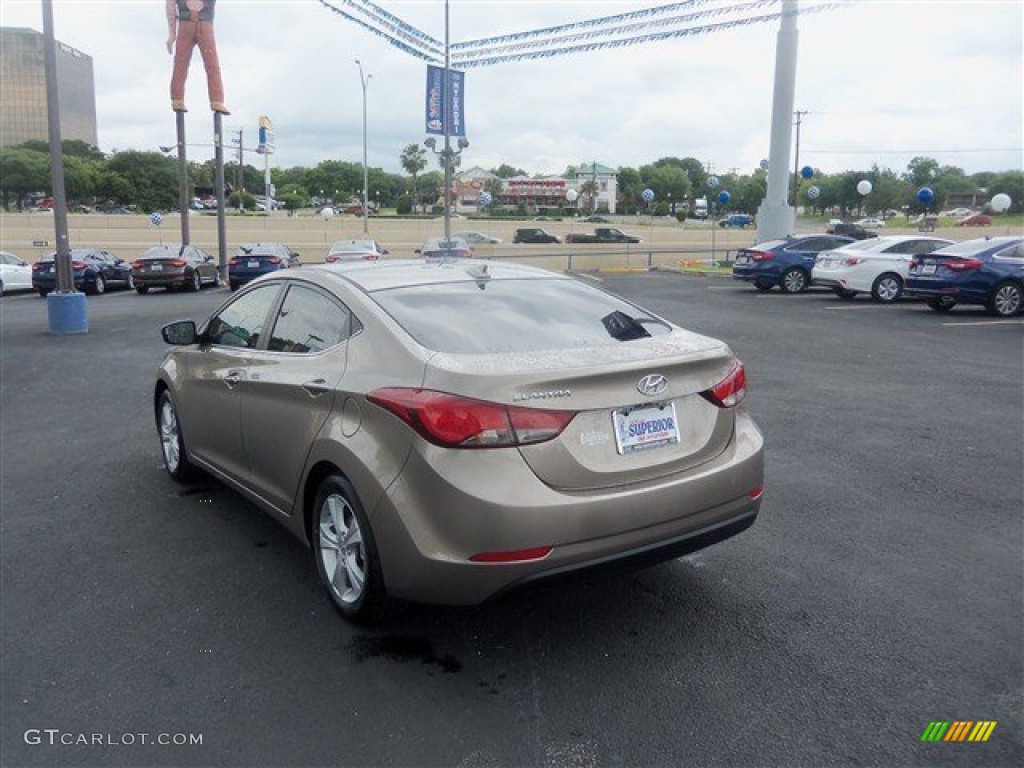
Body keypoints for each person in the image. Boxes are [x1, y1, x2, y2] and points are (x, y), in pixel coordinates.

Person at [166, 0, 229, 114]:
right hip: (196, 29)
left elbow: (170, 6)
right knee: (207, 63)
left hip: (195, 28)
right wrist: (172, 34)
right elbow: (170, 4)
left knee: (184, 62)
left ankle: (178, 99)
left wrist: (172, 33)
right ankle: (216, 100)